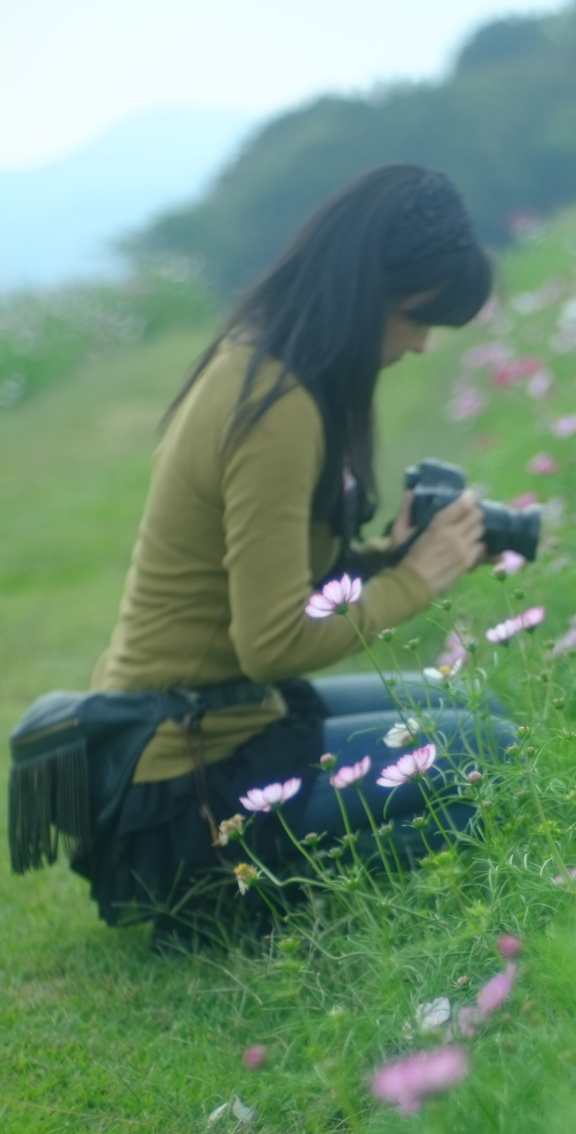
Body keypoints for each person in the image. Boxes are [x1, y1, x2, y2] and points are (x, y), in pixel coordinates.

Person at [75, 163, 513, 943]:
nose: (419, 344)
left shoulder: (276, 364)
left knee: (476, 711)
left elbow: (281, 582)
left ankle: (321, 872)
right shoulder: (275, 404)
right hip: (192, 782)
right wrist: (416, 579)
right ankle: (252, 895)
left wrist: (385, 556)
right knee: (491, 751)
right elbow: (274, 641)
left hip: (218, 716)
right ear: (369, 289)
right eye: (419, 319)